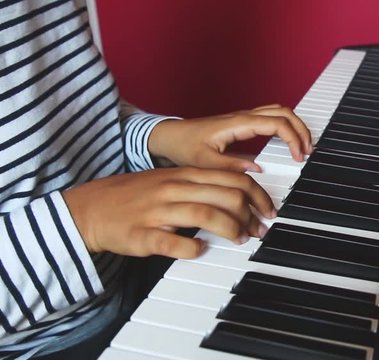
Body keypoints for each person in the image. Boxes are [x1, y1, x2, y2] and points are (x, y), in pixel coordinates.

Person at [0, 0, 312, 358]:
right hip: (45, 344)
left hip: (132, 269)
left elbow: (79, 115)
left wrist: (157, 138)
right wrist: (83, 222)